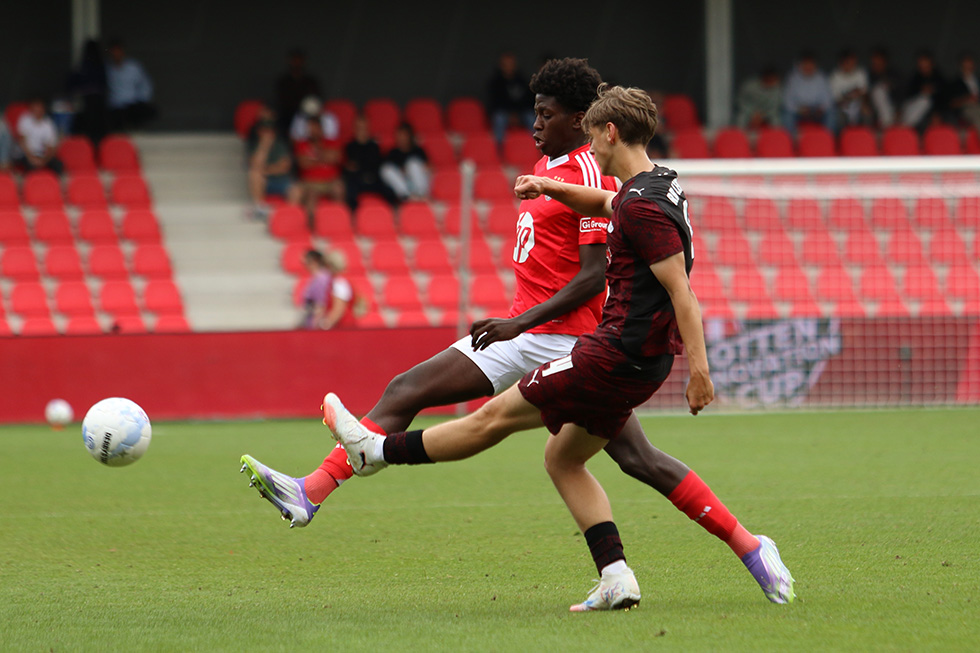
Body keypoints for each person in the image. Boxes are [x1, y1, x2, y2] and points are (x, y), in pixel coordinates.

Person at [240, 62, 795, 610]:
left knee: (491, 419)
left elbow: (601, 273)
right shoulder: (633, 182)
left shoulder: (609, 179)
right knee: (589, 456)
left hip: (565, 339)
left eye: (546, 113)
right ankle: (668, 564)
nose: (534, 122)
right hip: (571, 340)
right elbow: (604, 204)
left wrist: (525, 324)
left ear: (595, 127)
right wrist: (543, 184)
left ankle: (367, 458)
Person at [247, 118, 301, 220]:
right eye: (264, 130)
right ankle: (260, 209)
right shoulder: (254, 146)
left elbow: (284, 167)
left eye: (269, 130)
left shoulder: (280, 145)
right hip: (265, 182)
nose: (267, 133)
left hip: (282, 181)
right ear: (259, 132)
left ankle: (289, 215)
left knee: (296, 190)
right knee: (254, 175)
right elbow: (254, 165)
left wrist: (264, 170)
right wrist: (264, 146)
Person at [295, 116, 345, 218]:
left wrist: (314, 159)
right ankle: (311, 228)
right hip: (310, 182)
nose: (311, 131)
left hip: (330, 181)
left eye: (314, 128)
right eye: (309, 128)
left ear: (321, 129)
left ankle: (338, 220)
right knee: (311, 195)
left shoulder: (332, 142)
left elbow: (335, 158)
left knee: (339, 189)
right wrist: (323, 157)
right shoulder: (301, 144)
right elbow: (303, 164)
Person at [342, 116, 395, 210]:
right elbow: (347, 167)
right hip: (357, 180)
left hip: (374, 180)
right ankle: (353, 217)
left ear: (368, 129)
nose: (362, 131)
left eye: (364, 128)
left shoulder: (374, 146)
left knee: (390, 190)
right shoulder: (349, 147)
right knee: (350, 190)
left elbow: (379, 164)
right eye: (359, 128)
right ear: (354, 129)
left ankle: (394, 216)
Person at [105, 39, 155, 131]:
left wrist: (141, 101)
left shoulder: (133, 67)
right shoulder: (106, 69)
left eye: (118, 50)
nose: (116, 54)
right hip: (115, 107)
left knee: (149, 111)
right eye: (113, 51)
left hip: (132, 105)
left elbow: (145, 85)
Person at [299, 249, 355, 330]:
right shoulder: (335, 282)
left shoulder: (340, 283)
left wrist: (325, 324)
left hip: (343, 328)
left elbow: (338, 309)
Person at [782, 52, 835, 135]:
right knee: (787, 114)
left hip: (816, 110)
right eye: (806, 64)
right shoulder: (792, 78)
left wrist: (821, 108)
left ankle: (827, 140)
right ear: (800, 65)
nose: (808, 67)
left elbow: (828, 100)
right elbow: (787, 102)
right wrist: (798, 109)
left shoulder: (822, 77)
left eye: (811, 64)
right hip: (799, 111)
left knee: (831, 113)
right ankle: (791, 141)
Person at [487, 52, 535, 144]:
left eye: (511, 64)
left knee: (532, 118)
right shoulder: (495, 82)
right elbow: (495, 103)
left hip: (522, 112)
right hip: (504, 113)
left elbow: (529, 100)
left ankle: (539, 150)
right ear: (501, 65)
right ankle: (499, 151)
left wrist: (517, 114)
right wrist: (510, 115)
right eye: (506, 64)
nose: (509, 67)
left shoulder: (523, 80)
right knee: (499, 119)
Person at [67, 39, 108, 144]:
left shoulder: (95, 67)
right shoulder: (87, 67)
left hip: (94, 104)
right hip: (88, 103)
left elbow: (71, 85)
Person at [379, 123, 431, 201]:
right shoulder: (393, 153)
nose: (402, 138)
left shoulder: (418, 150)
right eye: (399, 135)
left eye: (404, 135)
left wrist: (411, 169)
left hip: (419, 184)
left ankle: (421, 195)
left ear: (409, 136)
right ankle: (407, 196)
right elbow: (390, 172)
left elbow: (428, 167)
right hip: (404, 184)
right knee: (385, 169)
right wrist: (402, 172)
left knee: (412, 164)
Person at [276, 48, 321, 137]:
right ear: (289, 61)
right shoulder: (283, 82)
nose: (296, 63)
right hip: (287, 116)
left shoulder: (310, 82)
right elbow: (281, 101)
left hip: (308, 115)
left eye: (299, 60)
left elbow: (315, 100)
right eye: (294, 60)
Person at [14, 97, 63, 174]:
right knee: (31, 167)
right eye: (35, 109)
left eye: (39, 109)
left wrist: (44, 160)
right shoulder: (25, 120)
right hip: (26, 154)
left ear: (43, 110)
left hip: (42, 155)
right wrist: (31, 158)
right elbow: (21, 140)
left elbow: (51, 147)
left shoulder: (48, 124)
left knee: (58, 165)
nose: (37, 111)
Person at [901, 50, 945, 131]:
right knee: (924, 100)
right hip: (910, 110)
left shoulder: (939, 79)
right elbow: (907, 97)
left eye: (926, 65)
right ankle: (904, 129)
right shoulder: (915, 78)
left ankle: (904, 129)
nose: (924, 67)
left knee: (926, 101)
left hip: (928, 115)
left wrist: (936, 113)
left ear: (932, 64)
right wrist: (921, 91)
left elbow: (942, 99)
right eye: (921, 65)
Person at [829, 49, 869, 127]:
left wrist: (864, 105)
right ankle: (843, 138)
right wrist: (850, 96)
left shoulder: (860, 73)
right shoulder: (835, 76)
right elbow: (836, 100)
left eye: (853, 63)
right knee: (838, 116)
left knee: (867, 113)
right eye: (848, 63)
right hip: (842, 107)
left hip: (858, 106)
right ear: (841, 63)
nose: (851, 65)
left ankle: (866, 138)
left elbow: (864, 93)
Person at [946, 52, 980, 133]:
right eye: (965, 65)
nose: (968, 68)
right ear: (961, 67)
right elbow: (952, 103)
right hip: (967, 109)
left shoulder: (977, 80)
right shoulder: (956, 83)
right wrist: (967, 99)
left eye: (970, 65)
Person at [867, 47, 898, 128]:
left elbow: (901, 97)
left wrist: (898, 111)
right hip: (877, 115)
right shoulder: (869, 76)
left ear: (885, 62)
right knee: (878, 90)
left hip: (895, 112)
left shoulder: (894, 74)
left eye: (879, 62)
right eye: (874, 62)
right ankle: (888, 125)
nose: (876, 64)